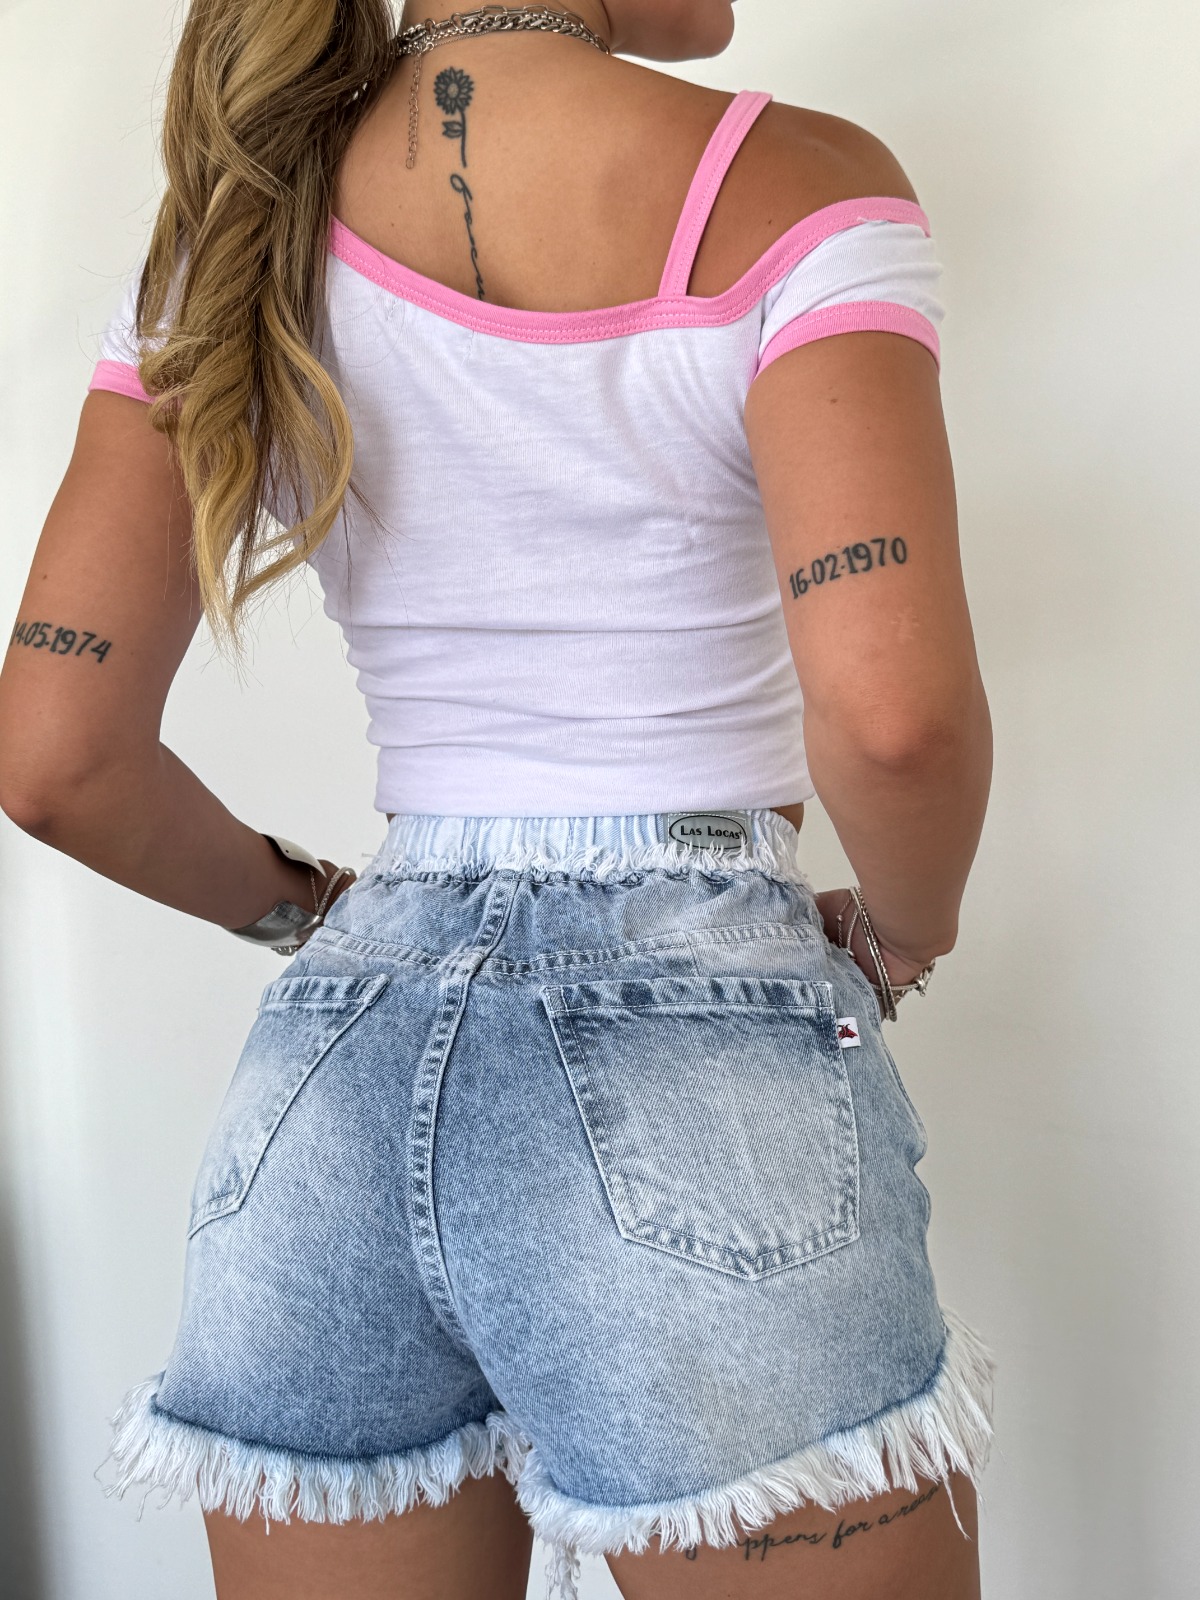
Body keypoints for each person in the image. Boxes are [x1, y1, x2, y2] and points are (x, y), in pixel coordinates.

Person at [0, 1, 996, 1596]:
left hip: (331, 1080)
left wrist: (322, 916)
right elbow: (892, 725)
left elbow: (55, 756)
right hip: (704, 1061)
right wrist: (899, 933)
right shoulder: (791, 184)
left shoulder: (238, 229)